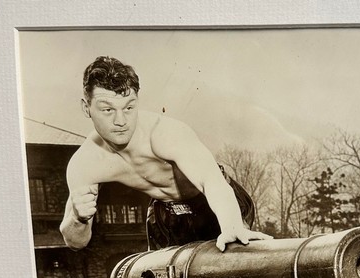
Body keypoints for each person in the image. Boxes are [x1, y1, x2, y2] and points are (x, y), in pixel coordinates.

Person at [60, 55, 272, 252]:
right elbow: (75, 242)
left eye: (128, 108)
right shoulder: (85, 164)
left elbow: (212, 182)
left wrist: (232, 226)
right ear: (86, 108)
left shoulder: (164, 133)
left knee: (230, 265)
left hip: (215, 203)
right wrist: (78, 219)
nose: (121, 121)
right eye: (107, 110)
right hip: (166, 213)